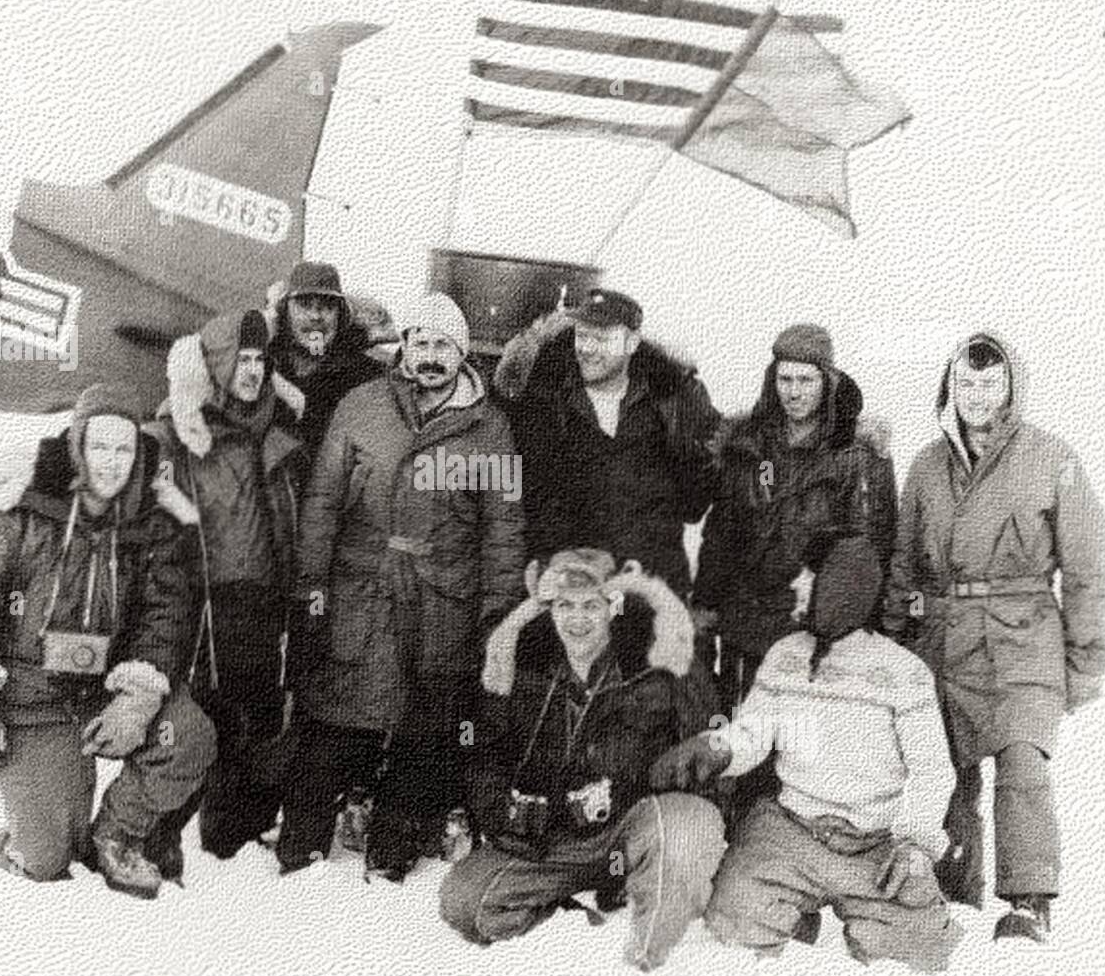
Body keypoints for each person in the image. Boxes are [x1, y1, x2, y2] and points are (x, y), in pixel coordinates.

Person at [278, 293, 526, 880]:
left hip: (442, 604)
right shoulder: (362, 407)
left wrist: (498, 620)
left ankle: (393, 848)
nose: (430, 357)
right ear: (405, 346)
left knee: (425, 732)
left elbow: (504, 532)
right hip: (360, 593)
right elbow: (322, 503)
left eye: (443, 346)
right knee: (331, 719)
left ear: (462, 354)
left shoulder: (491, 431)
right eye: (421, 343)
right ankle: (303, 844)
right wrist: (311, 587)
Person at [0, 384, 215, 899]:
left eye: (125, 449)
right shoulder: (21, 507)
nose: (112, 464)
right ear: (77, 446)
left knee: (187, 736)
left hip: (106, 690)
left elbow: (168, 613)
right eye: (100, 447)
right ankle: (39, 826)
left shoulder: (155, 520)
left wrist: (138, 696)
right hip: (34, 696)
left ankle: (115, 832)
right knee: (47, 861)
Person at [884, 333, 1105, 942]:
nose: (977, 397)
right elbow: (904, 561)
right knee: (946, 770)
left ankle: (1029, 902)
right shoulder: (928, 464)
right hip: (943, 640)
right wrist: (891, 640)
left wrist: (1086, 660)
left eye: (989, 384)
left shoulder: (1051, 457)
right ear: (948, 387)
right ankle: (955, 891)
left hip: (1024, 638)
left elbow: (1088, 567)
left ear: (1011, 388)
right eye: (966, 384)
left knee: (1022, 765)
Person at [657, 536, 962, 972]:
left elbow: (933, 771)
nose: (796, 587)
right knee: (731, 927)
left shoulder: (903, 672)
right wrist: (718, 748)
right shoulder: (786, 655)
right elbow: (754, 731)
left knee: (920, 954)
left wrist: (914, 845)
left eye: (808, 579)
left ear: (839, 589)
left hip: (873, 845)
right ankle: (793, 917)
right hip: (789, 832)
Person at [439, 550, 726, 972]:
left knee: (688, 825)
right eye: (564, 606)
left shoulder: (653, 667)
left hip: (630, 829)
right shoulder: (526, 669)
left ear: (612, 608)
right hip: (557, 840)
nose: (577, 619)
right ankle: (574, 915)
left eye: (591, 605)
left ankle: (652, 959)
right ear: (549, 610)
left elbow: (708, 747)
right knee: (465, 905)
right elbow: (485, 753)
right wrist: (505, 811)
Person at [145, 308, 306, 861]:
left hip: (266, 601)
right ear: (214, 363)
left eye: (261, 360)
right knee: (201, 722)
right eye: (242, 360)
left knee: (258, 718)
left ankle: (237, 835)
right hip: (206, 607)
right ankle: (161, 828)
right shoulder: (178, 431)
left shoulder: (279, 427)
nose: (253, 371)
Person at [694, 324, 897, 713]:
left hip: (814, 628)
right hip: (747, 621)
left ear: (828, 383)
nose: (794, 391)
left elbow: (870, 549)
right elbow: (722, 533)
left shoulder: (856, 455)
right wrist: (704, 605)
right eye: (785, 378)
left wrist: (866, 627)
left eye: (806, 379)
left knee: (804, 751)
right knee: (745, 746)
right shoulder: (751, 447)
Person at [494, 288, 720, 599]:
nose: (586, 348)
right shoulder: (546, 402)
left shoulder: (674, 401)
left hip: (652, 586)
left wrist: (764, 471)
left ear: (632, 343)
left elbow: (705, 490)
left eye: (601, 339)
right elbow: (525, 494)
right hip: (574, 591)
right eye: (582, 336)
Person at [164, 259, 386, 464]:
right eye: (304, 305)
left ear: (340, 315)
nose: (316, 316)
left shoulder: (363, 375)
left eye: (327, 306)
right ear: (285, 312)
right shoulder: (257, 359)